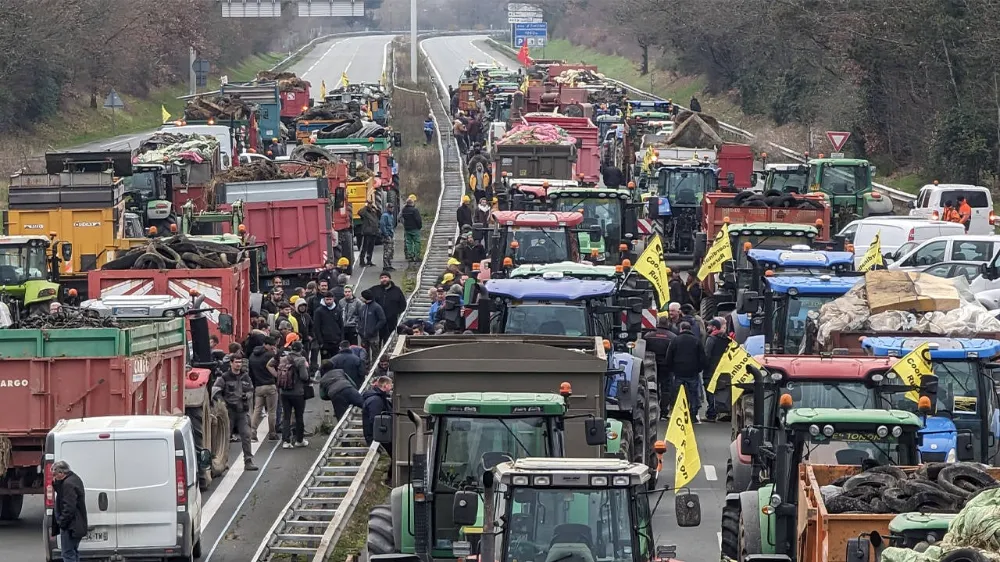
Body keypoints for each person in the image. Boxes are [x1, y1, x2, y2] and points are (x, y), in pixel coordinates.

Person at [212, 353, 259, 469]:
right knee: (224, 438)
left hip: (242, 411)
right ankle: (224, 462)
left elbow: (251, 390)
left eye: (240, 362)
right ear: (231, 363)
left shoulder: (245, 377)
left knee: (246, 436)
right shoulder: (224, 377)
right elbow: (215, 391)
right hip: (229, 413)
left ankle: (248, 461)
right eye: (236, 362)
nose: (239, 364)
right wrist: (222, 403)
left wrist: (246, 396)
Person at [663, 322, 706, 423]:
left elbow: (669, 356)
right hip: (692, 372)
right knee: (693, 394)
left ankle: (677, 413)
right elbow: (702, 357)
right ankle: (693, 414)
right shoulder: (696, 341)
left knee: (676, 393)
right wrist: (699, 369)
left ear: (681, 329)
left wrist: (671, 368)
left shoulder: (675, 340)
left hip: (678, 372)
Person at [274, 341, 311, 448]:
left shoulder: (284, 358)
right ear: (300, 349)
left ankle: (286, 441)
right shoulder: (301, 360)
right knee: (299, 416)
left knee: (286, 416)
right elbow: (304, 376)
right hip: (297, 392)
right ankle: (299, 440)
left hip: (284, 392)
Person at [50, 460, 87, 562]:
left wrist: (62, 522)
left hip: (70, 526)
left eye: (55, 475)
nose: (54, 478)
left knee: (67, 553)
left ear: (61, 473)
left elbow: (69, 507)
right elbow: (62, 494)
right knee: (73, 551)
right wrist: (56, 483)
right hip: (75, 524)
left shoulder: (68, 484)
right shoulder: (73, 479)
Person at [644, 315, 676, 419]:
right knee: (666, 388)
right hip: (666, 366)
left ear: (657, 323)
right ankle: (664, 411)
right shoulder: (673, 337)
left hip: (651, 366)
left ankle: (653, 409)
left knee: (653, 387)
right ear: (668, 324)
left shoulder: (648, 335)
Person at [249, 336, 280, 441]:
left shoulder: (252, 356)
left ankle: (252, 432)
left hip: (258, 386)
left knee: (257, 410)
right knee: (271, 411)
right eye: (272, 346)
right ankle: (272, 433)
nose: (273, 348)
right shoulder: (270, 355)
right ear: (267, 345)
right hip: (270, 385)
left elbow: (251, 373)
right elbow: (277, 366)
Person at [703, 317, 730, 423]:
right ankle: (722, 411)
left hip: (711, 369)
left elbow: (707, 354)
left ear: (714, 327)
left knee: (710, 390)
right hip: (723, 368)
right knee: (721, 390)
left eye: (709, 326)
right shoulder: (727, 339)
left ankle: (711, 413)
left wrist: (704, 365)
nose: (707, 327)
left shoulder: (711, 339)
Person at [369, 272, 407, 343]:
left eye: (385, 277)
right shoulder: (374, 289)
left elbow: (403, 304)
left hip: (391, 321)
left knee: (389, 340)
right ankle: (377, 353)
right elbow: (364, 297)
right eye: (382, 278)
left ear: (389, 278)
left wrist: (395, 313)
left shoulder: (397, 290)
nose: (384, 279)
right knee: (377, 341)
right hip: (377, 321)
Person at [313, 291, 345, 361]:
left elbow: (341, 326)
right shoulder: (318, 311)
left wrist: (341, 339)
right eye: (327, 299)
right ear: (324, 299)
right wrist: (320, 342)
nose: (329, 301)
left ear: (333, 299)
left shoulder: (338, 310)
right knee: (325, 362)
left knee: (336, 361)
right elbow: (316, 327)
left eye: (330, 299)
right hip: (325, 343)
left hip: (336, 342)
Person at [362, 375, 393, 446]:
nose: (391, 388)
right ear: (385, 386)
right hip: (378, 436)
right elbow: (374, 420)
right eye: (390, 385)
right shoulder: (376, 400)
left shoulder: (380, 398)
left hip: (380, 434)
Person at [358, 289, 387, 359]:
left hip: (373, 336)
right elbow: (360, 319)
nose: (360, 298)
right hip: (363, 336)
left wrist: (374, 329)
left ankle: (375, 368)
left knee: (375, 354)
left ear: (366, 297)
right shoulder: (362, 307)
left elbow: (382, 320)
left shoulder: (377, 307)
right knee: (364, 355)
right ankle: (366, 367)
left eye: (362, 296)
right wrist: (359, 329)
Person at [400, 195, 423, 263]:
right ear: (412, 203)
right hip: (415, 229)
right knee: (417, 242)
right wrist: (419, 226)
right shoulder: (415, 210)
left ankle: (410, 256)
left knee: (409, 243)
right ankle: (417, 256)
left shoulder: (404, 210)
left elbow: (401, 218)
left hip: (407, 229)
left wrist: (404, 225)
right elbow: (418, 219)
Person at [358, 201, 380, 266]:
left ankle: (369, 260)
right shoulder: (365, 212)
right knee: (364, 247)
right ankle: (361, 261)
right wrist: (365, 207)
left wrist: (376, 208)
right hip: (367, 232)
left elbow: (380, 214)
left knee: (371, 247)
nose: (371, 206)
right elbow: (360, 212)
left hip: (373, 232)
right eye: (369, 204)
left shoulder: (374, 212)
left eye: (371, 204)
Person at [380, 203, 396, 270]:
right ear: (387, 208)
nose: (392, 209)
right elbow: (382, 226)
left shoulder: (391, 215)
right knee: (387, 250)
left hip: (391, 235)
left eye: (392, 207)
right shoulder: (385, 216)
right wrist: (386, 235)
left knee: (391, 251)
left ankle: (389, 264)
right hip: (387, 236)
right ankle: (385, 266)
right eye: (390, 207)